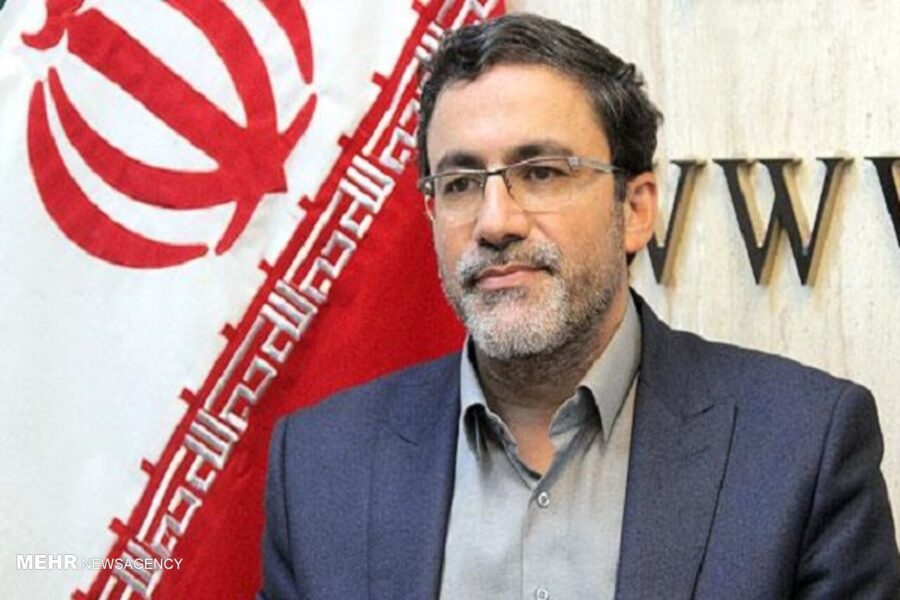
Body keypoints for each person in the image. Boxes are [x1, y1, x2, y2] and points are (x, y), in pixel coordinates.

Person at [259, 13, 900, 599]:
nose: (495, 222)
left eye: (541, 172)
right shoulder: (320, 466)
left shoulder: (802, 449)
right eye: (460, 184)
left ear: (635, 209)